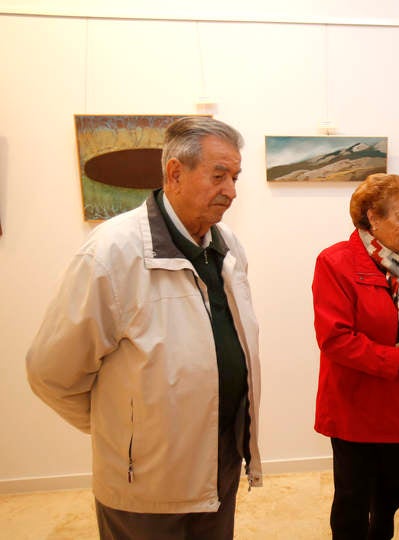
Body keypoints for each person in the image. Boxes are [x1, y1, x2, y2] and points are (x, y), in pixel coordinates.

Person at [26, 117, 263, 540]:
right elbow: (50, 372)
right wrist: (130, 435)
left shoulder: (228, 248)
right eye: (219, 175)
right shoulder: (112, 253)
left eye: (235, 177)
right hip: (146, 486)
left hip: (220, 464)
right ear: (175, 172)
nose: (231, 190)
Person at [312, 173, 399, 539]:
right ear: (373, 217)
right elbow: (335, 338)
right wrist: (395, 360)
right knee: (353, 500)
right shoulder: (335, 262)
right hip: (355, 404)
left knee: (392, 491)